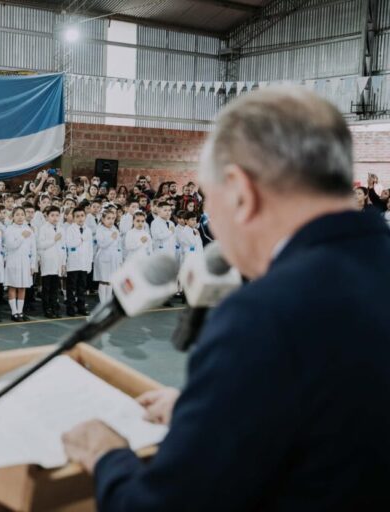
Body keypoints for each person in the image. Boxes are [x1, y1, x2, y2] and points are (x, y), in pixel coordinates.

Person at [62, 87, 390, 511]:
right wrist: (216, 411)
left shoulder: (265, 314)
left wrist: (106, 456)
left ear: (239, 192)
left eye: (209, 199)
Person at [3, 206, 35, 321]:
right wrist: (22, 237)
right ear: (13, 217)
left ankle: (20, 311)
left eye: (22, 214)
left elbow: (33, 249)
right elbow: (11, 246)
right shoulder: (9, 230)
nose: (20, 217)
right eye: (17, 214)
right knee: (13, 286)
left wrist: (32, 265)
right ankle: (14, 312)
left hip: (25, 261)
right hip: (13, 260)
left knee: (22, 286)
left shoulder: (29, 229)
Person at [37, 205, 65, 319]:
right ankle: (47, 308)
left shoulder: (61, 229)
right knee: (46, 287)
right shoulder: (43, 228)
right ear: (47, 216)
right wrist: (54, 239)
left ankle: (54, 307)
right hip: (47, 260)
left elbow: (63, 247)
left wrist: (63, 263)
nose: (55, 218)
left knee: (55, 287)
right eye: (52, 215)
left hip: (57, 262)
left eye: (57, 215)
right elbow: (40, 245)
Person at [64, 207, 93, 316]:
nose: (80, 218)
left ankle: (81, 306)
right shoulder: (70, 229)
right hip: (73, 263)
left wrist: (90, 262)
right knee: (71, 287)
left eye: (82, 216)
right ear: (73, 217)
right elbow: (69, 244)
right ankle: (70, 307)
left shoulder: (88, 230)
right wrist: (80, 239)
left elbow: (90, 248)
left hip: (84, 262)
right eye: (77, 216)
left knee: (82, 286)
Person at [93, 209, 122, 304]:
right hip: (103, 257)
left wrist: (119, 259)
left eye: (113, 218)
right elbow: (102, 244)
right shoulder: (100, 229)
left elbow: (118, 245)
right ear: (103, 219)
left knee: (110, 281)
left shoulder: (115, 229)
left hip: (114, 258)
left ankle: (108, 302)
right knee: (104, 280)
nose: (111, 221)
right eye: (108, 218)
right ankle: (103, 302)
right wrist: (111, 238)